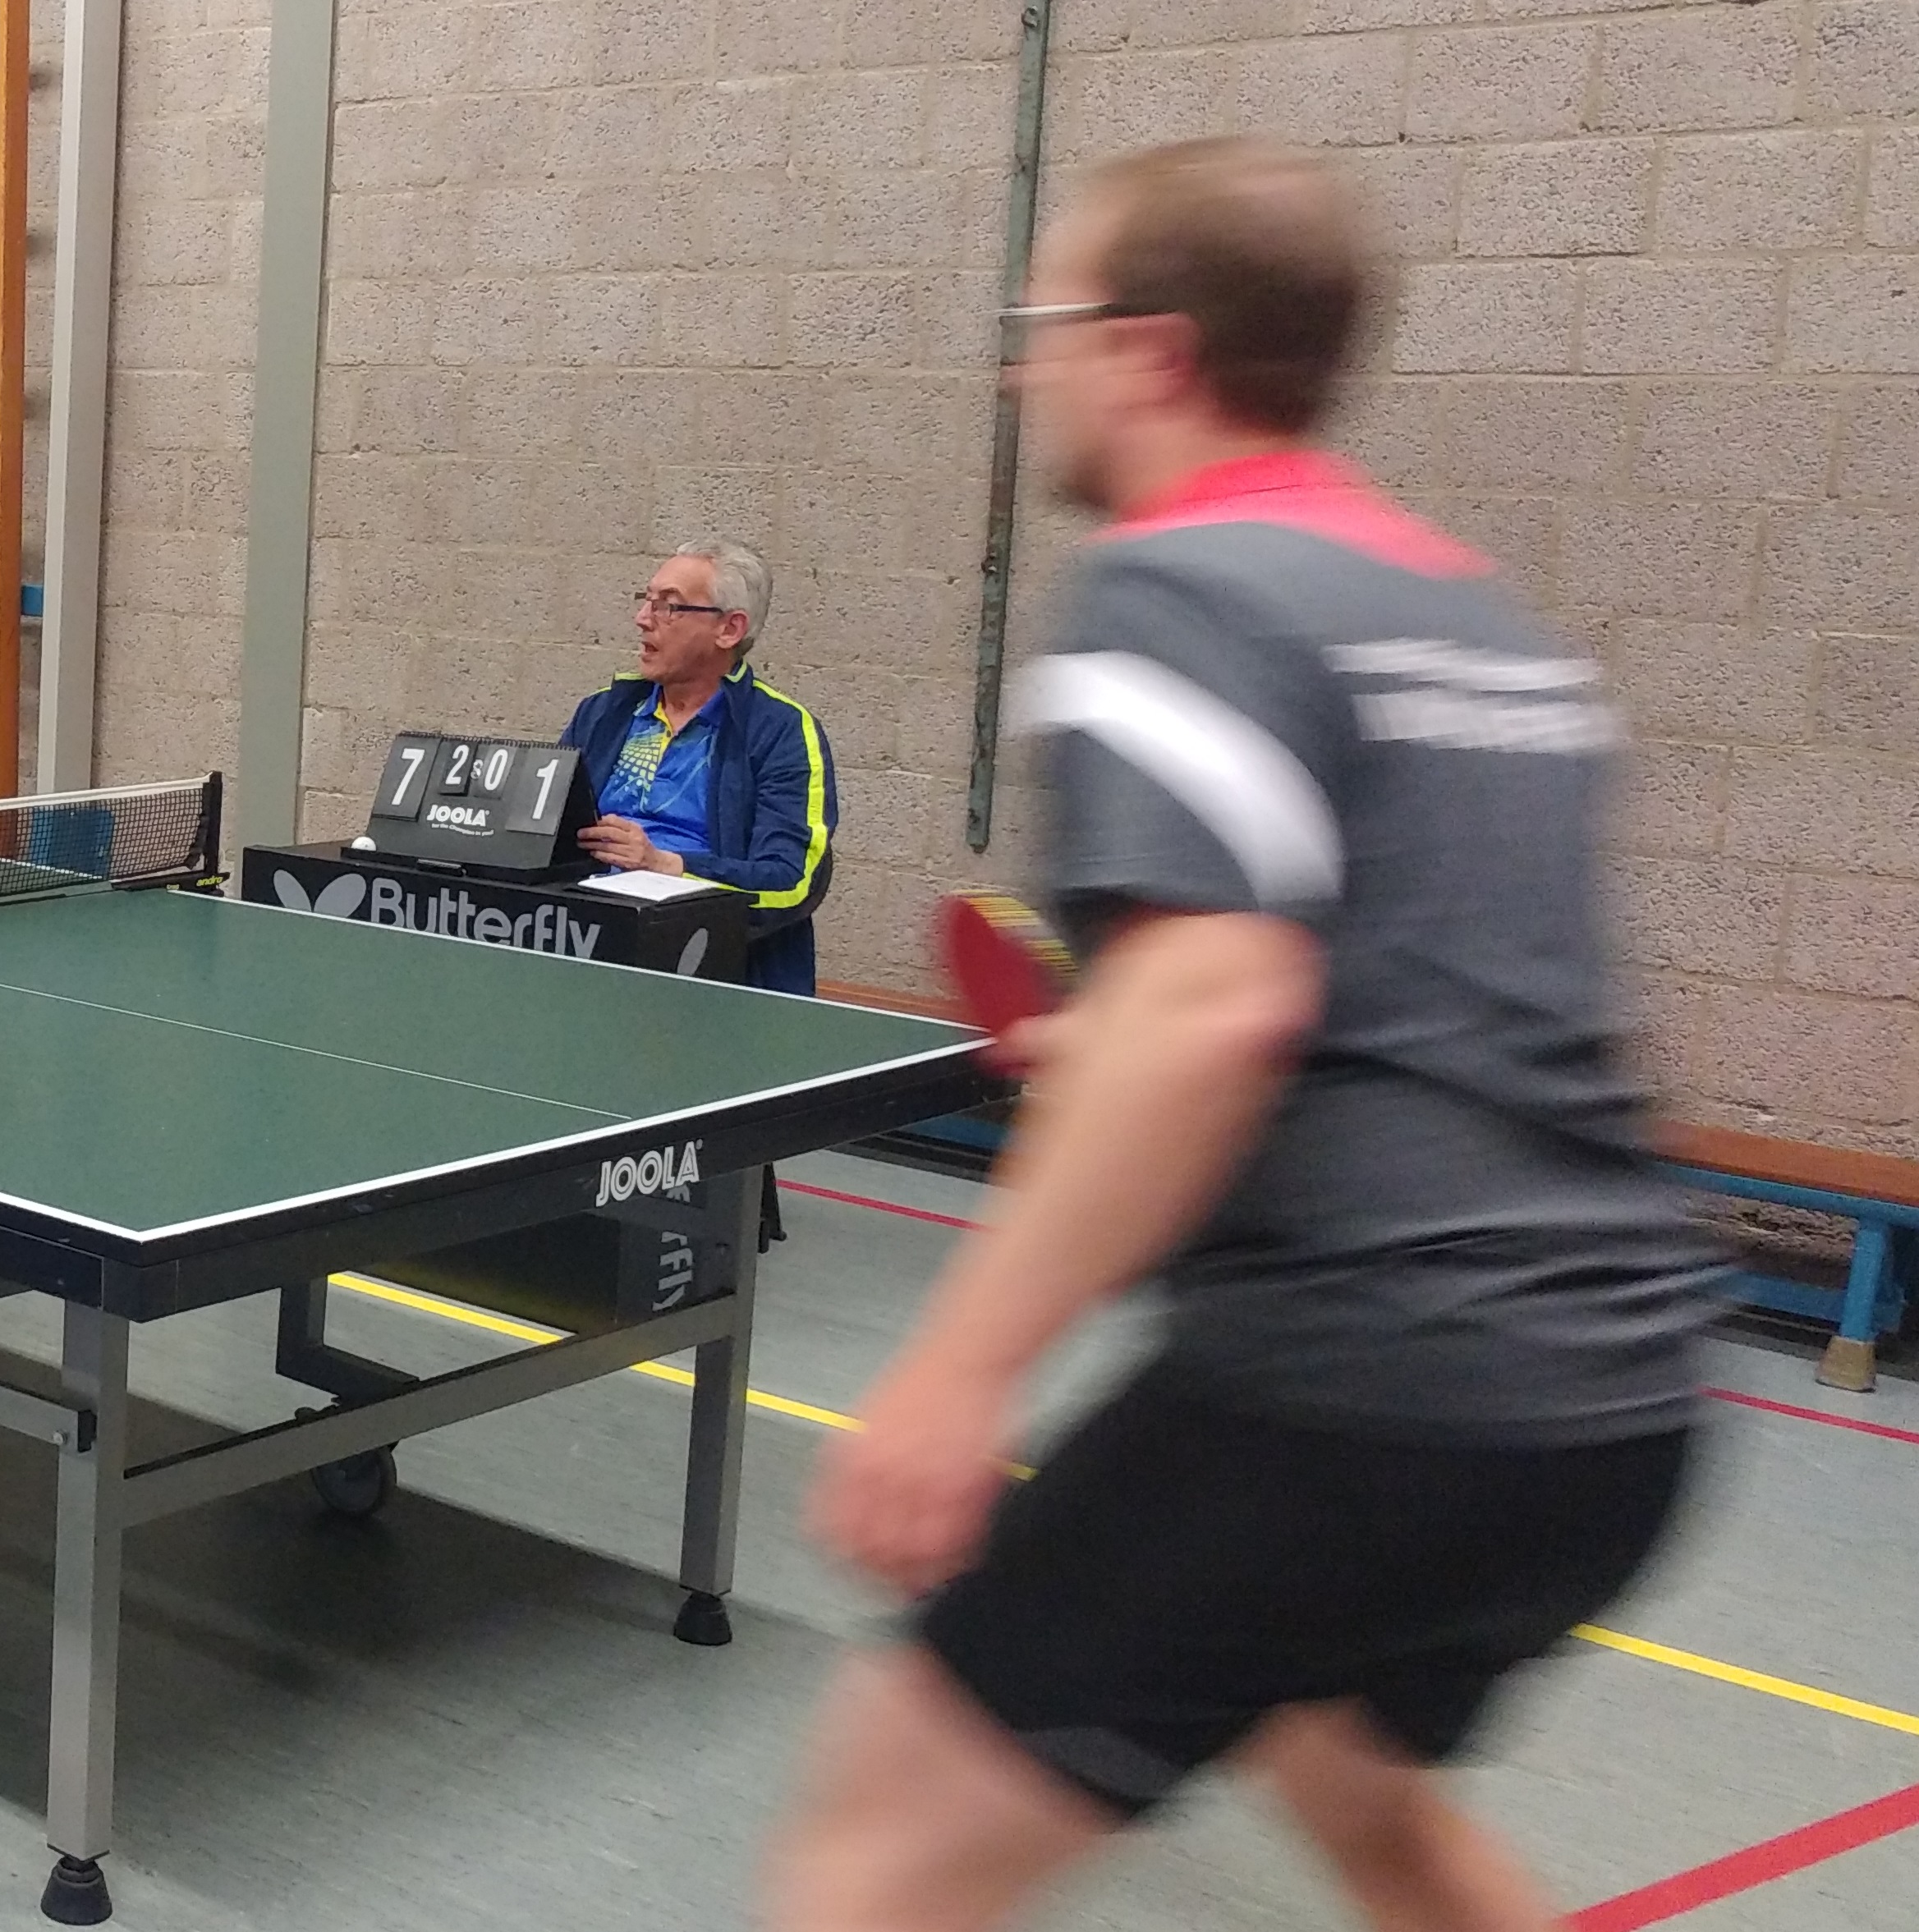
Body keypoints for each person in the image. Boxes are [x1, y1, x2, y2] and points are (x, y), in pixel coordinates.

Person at [769, 138, 1718, 1932]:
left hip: (1356, 1388)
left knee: (872, 1858)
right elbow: (1402, 1008)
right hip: (1612, 1405)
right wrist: (1135, 1051)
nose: (1020, 369)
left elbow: (1215, 1002)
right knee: (1365, 1801)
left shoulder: (1176, 590)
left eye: (1043, 323)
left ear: (1152, 352)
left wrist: (957, 1373)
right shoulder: (1482, 622)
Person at [558, 539, 836, 994]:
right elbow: (545, 835)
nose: (643, 618)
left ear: (729, 629)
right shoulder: (602, 713)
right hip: (585, 948)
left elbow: (792, 882)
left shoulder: (782, 732)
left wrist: (664, 864)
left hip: (710, 973)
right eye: (646, 600)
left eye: (669, 607)